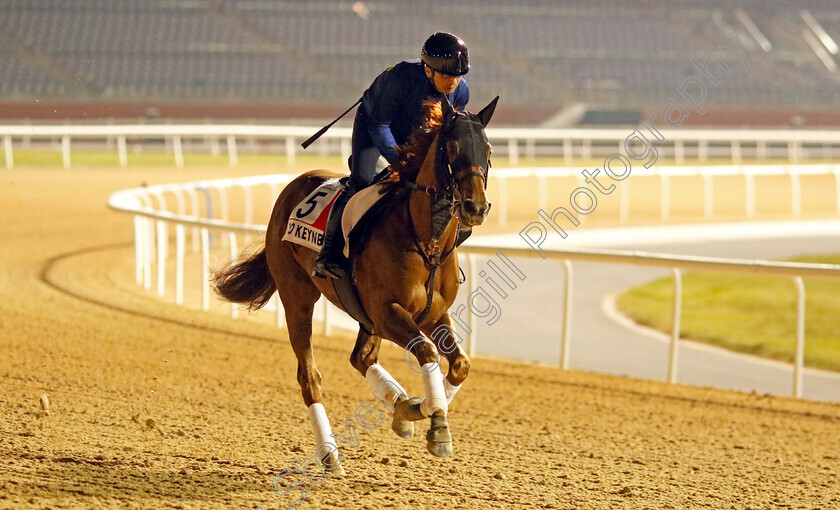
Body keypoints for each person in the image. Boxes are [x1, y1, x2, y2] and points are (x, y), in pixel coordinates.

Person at [312, 32, 470, 279]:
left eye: (458, 77)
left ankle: (442, 256)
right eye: (447, 76)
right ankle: (329, 254)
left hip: (415, 129)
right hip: (374, 123)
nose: (453, 83)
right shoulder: (400, 79)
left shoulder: (461, 92)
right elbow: (380, 127)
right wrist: (400, 162)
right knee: (362, 181)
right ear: (428, 71)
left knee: (444, 189)